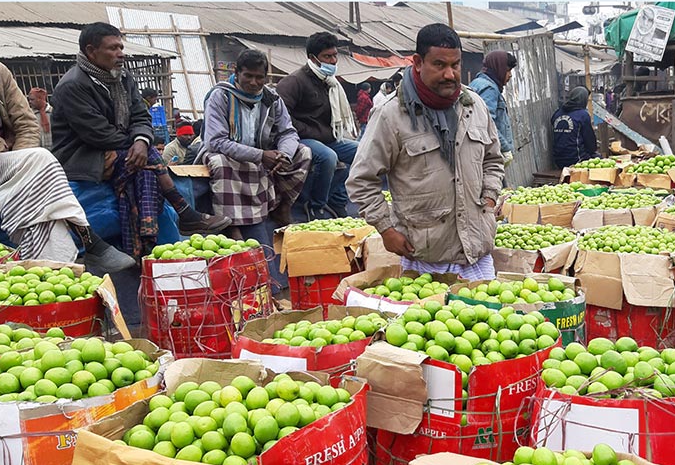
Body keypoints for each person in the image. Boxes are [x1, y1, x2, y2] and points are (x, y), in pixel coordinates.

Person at [0, 10, 134, 274]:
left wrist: (18, 158)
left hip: (8, 161)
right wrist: (1, 146)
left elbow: (26, 123)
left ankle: (50, 271)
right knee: (40, 158)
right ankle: (89, 238)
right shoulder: (74, 85)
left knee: (39, 191)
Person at [51, 22, 230, 259]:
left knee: (144, 171)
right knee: (147, 162)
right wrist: (138, 143)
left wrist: (141, 141)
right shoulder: (73, 85)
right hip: (83, 156)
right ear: (91, 51)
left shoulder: (123, 77)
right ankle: (183, 213)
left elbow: (140, 115)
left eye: (121, 47)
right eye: (113, 48)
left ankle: (144, 249)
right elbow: (98, 133)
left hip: (120, 149)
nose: (120, 54)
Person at [346, 23, 503, 281]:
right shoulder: (391, 115)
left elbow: (493, 159)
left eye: (455, 65)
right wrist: (386, 229)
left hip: (477, 253)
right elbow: (361, 180)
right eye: (439, 65)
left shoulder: (473, 105)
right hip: (427, 260)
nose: (450, 74)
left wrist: (489, 195)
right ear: (418, 62)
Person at [198, 49, 311, 232]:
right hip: (227, 153)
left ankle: (282, 207)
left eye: (259, 77)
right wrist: (260, 155)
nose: (253, 82)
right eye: (248, 76)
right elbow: (216, 142)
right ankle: (230, 224)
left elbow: (288, 132)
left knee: (303, 153)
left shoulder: (272, 98)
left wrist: (284, 154)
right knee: (220, 163)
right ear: (236, 73)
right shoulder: (221, 96)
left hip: (262, 152)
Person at [277, 32, 358, 220]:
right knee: (329, 157)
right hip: (301, 138)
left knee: (361, 151)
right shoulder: (294, 81)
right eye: (327, 57)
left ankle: (337, 199)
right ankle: (316, 206)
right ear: (313, 58)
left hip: (328, 138)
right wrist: (308, 130)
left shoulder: (330, 83)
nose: (333, 61)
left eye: (335, 55)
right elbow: (281, 116)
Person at [469, 50, 517, 168]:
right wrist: (505, 148)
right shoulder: (489, 89)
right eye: (507, 70)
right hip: (489, 154)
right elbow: (488, 123)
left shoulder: (477, 83)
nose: (510, 75)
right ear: (498, 68)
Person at [551, 87, 599, 169]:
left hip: (558, 159)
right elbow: (590, 142)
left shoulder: (557, 113)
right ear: (583, 100)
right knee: (598, 159)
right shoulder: (583, 115)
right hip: (576, 159)